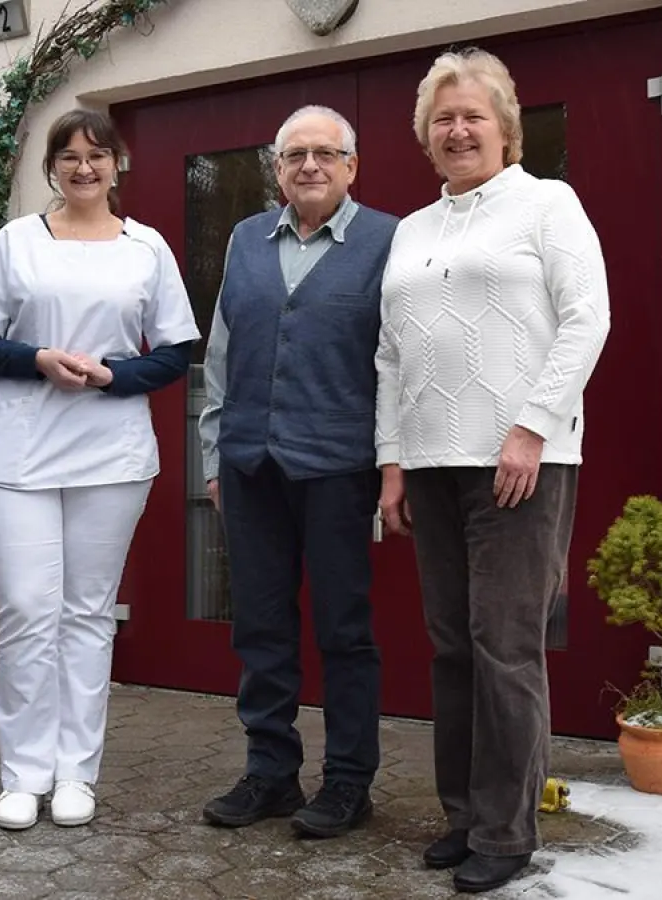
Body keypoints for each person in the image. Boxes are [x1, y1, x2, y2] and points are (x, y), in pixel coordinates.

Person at [375, 47, 609, 894]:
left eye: (474, 114)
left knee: (504, 645)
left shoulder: (547, 204)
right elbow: (390, 355)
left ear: (506, 128)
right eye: (443, 118)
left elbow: (588, 319)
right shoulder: (412, 228)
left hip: (518, 462)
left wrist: (531, 429)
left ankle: (508, 833)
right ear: (425, 137)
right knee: (450, 647)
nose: (458, 128)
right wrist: (392, 462)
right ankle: (465, 816)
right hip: (431, 463)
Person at [0, 108, 200, 831]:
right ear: (52, 167)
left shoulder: (146, 248)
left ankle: (75, 775)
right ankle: (22, 774)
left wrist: (110, 376)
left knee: (89, 614)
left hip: (110, 453)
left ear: (117, 164)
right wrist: (35, 360)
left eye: (97, 155)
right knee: (30, 610)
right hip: (20, 453)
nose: (84, 167)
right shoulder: (15, 243)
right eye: (69, 156)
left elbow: (174, 352)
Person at [197, 105, 398, 839]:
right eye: (293, 155)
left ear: (352, 165)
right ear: (276, 168)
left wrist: (391, 463)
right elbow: (221, 353)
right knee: (260, 627)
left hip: (339, 470)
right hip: (251, 466)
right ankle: (271, 772)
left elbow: (398, 361)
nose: (308, 165)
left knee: (344, 629)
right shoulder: (248, 239)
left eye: (325, 153)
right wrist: (216, 457)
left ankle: (348, 781)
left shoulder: (387, 240)